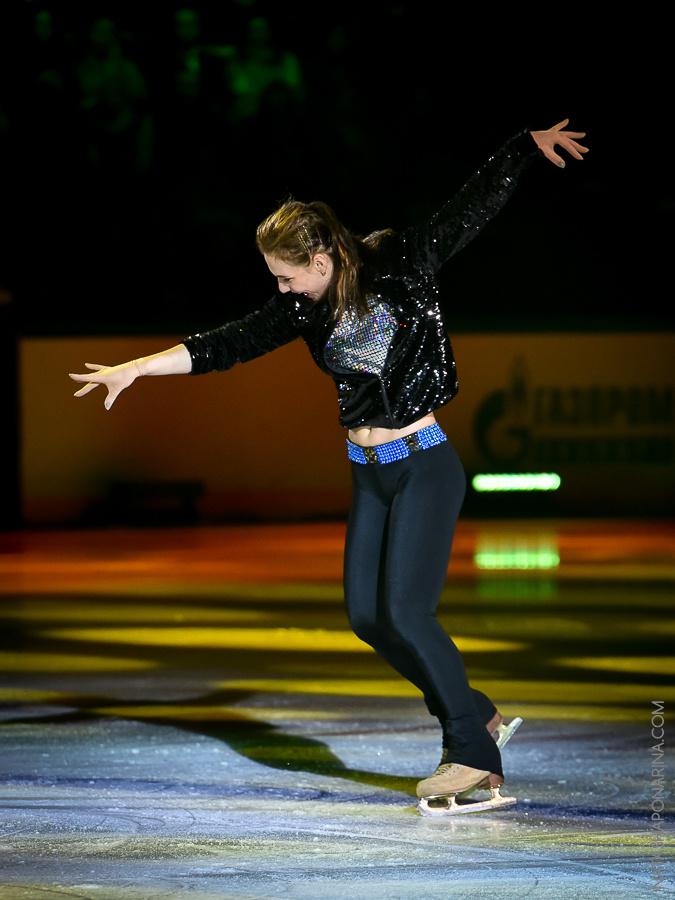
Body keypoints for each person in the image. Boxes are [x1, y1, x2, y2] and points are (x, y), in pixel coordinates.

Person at [70, 120, 588, 814]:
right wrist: (137, 368)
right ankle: (475, 708)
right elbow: (230, 342)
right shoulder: (304, 310)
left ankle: (473, 755)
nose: (282, 290)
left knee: (407, 610)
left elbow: (468, 208)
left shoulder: (400, 265)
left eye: (286, 277)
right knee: (368, 618)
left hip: (424, 464)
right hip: (369, 472)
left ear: (319, 258)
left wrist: (523, 147)